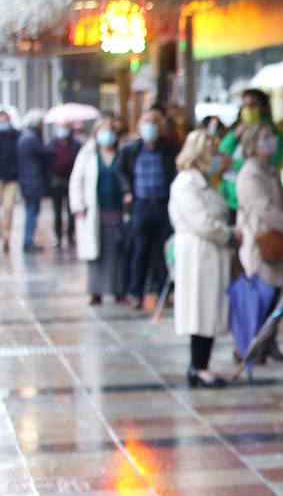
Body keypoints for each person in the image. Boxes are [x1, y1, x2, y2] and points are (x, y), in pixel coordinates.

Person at [170, 130, 236, 387]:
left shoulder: (205, 181)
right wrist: (228, 234)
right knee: (200, 311)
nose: (219, 158)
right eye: (214, 153)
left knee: (208, 310)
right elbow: (202, 222)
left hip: (210, 253)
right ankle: (198, 366)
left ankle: (201, 365)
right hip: (199, 254)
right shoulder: (187, 183)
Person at [234, 120, 283, 362]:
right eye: (265, 137)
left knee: (275, 300)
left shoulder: (269, 170)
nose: (271, 141)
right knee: (260, 300)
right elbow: (266, 210)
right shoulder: (251, 173)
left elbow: (282, 204)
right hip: (261, 245)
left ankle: (269, 342)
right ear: (253, 145)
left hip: (277, 245)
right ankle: (251, 346)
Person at [117, 108, 178, 308]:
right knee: (140, 249)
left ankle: (163, 291)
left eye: (155, 122)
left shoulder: (169, 149)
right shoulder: (130, 149)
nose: (151, 126)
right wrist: (127, 191)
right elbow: (121, 171)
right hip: (141, 205)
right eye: (147, 121)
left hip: (162, 204)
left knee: (163, 250)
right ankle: (136, 292)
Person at [68, 117, 129, 304]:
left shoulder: (122, 153)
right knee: (96, 252)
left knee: (119, 252)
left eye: (110, 130)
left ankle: (120, 290)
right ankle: (96, 291)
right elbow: (76, 180)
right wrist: (77, 205)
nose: (107, 135)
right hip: (95, 211)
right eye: (103, 131)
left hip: (118, 210)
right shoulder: (88, 154)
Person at [218, 88, 283, 218]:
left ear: (264, 108)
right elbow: (221, 152)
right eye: (245, 105)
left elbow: (269, 162)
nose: (248, 109)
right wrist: (235, 135)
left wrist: (234, 164)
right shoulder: (238, 129)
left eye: (253, 105)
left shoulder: (271, 134)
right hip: (229, 198)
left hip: (255, 198)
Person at [16, 110, 51, 254]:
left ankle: (28, 240)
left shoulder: (26, 137)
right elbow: (45, 153)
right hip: (32, 180)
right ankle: (28, 240)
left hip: (29, 180)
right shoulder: (31, 138)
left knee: (32, 211)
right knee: (32, 212)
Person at [47, 121, 81, 248]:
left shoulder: (75, 143)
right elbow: (48, 160)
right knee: (57, 210)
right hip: (56, 180)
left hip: (71, 179)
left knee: (71, 210)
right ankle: (58, 235)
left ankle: (70, 235)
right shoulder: (53, 143)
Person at [0, 110, 18, 252]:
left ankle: (6, 237)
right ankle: (2, 231)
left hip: (12, 178)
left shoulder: (16, 135)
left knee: (8, 207)